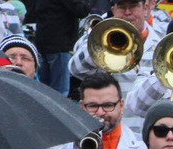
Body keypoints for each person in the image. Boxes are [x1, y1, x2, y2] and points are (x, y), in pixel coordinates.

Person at [69, 0, 165, 131]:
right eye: (121, 7)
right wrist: (103, 42)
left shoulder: (162, 44)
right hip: (104, 131)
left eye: (133, 6)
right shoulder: (99, 34)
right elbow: (75, 69)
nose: (127, 12)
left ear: (146, 9)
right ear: (113, 10)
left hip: (146, 134)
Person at [27, 0, 91, 95]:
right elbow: (81, 10)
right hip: (59, 44)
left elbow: (31, 13)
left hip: (42, 41)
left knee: (43, 90)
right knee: (60, 93)